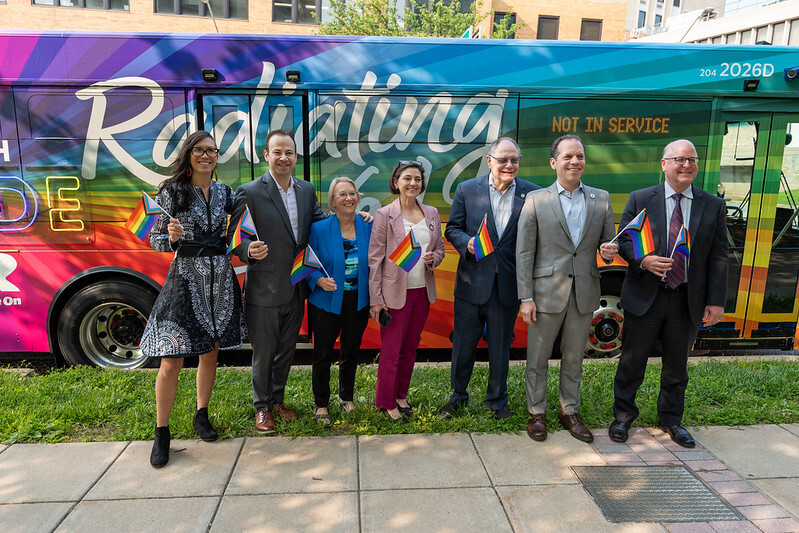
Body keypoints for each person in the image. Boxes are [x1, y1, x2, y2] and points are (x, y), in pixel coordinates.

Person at [609, 139, 728, 448]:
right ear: (664, 164)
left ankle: (672, 419)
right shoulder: (641, 199)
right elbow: (623, 241)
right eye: (679, 159)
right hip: (646, 294)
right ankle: (623, 416)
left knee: (677, 365)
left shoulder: (713, 205)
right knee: (632, 361)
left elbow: (718, 256)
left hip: (687, 297)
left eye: (691, 160)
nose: (686, 165)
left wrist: (715, 302)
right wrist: (643, 260)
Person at [141, 130, 245, 468]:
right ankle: (162, 432)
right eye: (199, 150)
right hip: (184, 278)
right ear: (188, 154)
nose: (206, 156)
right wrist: (169, 239)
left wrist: (248, 249)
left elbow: (238, 235)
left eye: (212, 151)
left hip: (219, 279)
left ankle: (202, 414)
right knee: (171, 359)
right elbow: (151, 236)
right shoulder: (172, 192)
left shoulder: (226, 193)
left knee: (210, 350)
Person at [516, 135, 618, 443]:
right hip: (546, 292)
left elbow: (607, 245)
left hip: (584, 290)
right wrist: (526, 297)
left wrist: (609, 252)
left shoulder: (601, 198)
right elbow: (524, 252)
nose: (575, 161)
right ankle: (537, 412)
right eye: (568, 157)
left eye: (580, 156)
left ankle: (568, 410)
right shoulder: (536, 199)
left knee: (574, 357)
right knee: (538, 358)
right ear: (554, 162)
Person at [228, 129, 327, 435]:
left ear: (296, 156)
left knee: (286, 350)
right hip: (264, 289)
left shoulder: (306, 189)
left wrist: (352, 216)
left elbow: (318, 219)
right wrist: (248, 251)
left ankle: (278, 401)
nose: (284, 158)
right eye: (278, 152)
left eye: (290, 153)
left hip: (297, 286)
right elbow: (236, 238)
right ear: (266, 156)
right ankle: (262, 408)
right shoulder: (250, 191)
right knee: (264, 352)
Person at [441, 137, 540, 420]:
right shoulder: (467, 190)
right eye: (503, 160)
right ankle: (457, 397)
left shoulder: (532, 194)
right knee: (463, 347)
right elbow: (453, 229)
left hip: (507, 288)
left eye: (515, 160)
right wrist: (467, 243)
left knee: (500, 349)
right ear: (489, 161)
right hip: (471, 284)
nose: (509, 165)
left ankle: (497, 401)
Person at [369, 161, 445, 421]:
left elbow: (441, 249)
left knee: (410, 349)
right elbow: (375, 260)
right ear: (397, 182)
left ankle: (401, 395)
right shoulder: (384, 215)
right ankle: (386, 401)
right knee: (391, 352)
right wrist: (376, 301)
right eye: (407, 178)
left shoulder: (432, 213)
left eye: (417, 179)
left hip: (422, 292)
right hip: (393, 295)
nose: (413, 183)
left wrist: (433, 258)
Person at [306, 177, 372, 425]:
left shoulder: (368, 225)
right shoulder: (319, 228)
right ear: (332, 202)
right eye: (342, 194)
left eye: (352, 193)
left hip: (358, 301)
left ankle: (347, 397)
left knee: (350, 352)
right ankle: (321, 404)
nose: (348, 198)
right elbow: (306, 262)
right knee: (322, 354)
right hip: (326, 301)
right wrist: (318, 280)